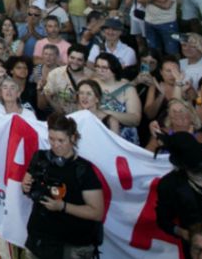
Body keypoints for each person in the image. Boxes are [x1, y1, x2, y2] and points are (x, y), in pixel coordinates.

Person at [20, 114, 105, 259]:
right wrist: (25, 186)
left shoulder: (83, 170)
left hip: (71, 245)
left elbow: (97, 212)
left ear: (72, 138)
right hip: (39, 239)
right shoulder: (40, 157)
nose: (55, 144)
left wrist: (63, 207)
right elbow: (27, 186)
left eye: (61, 140)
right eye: (51, 139)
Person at [93, 54, 142, 144]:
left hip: (123, 138)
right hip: (98, 136)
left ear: (114, 69)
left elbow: (135, 119)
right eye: (98, 67)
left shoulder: (128, 89)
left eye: (105, 68)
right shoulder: (91, 84)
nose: (100, 70)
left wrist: (106, 113)